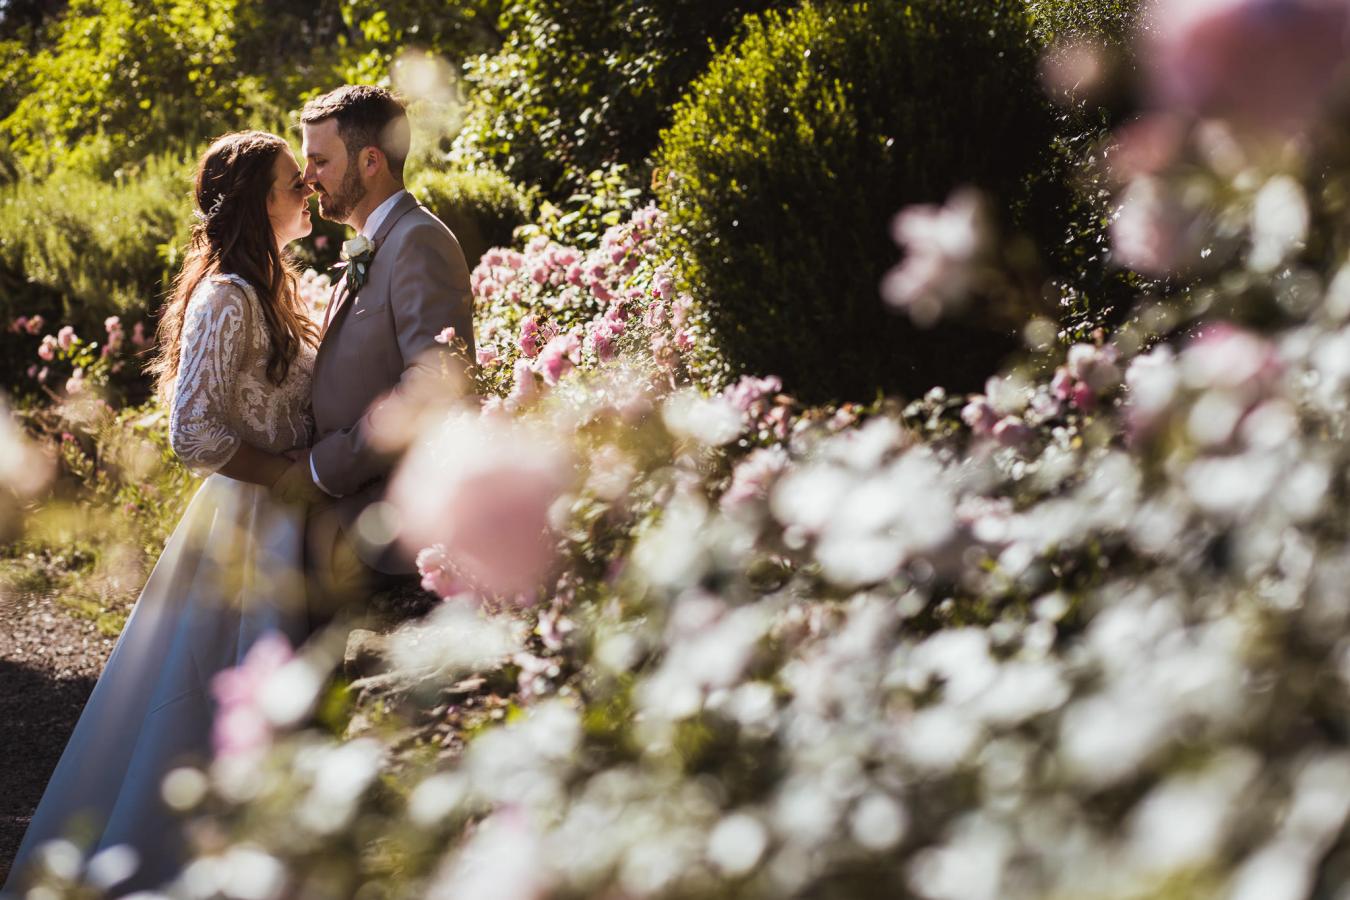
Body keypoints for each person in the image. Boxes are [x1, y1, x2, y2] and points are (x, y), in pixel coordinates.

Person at [2, 130, 322, 896]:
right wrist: (289, 479)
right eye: (292, 183)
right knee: (208, 702)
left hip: (283, 518)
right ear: (254, 203)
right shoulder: (227, 296)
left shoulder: (276, 285)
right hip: (246, 521)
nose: (308, 190)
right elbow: (193, 433)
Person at [278, 84, 474, 629]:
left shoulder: (418, 242)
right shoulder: (376, 242)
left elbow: (434, 384)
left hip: (387, 535)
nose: (307, 176)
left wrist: (323, 466)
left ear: (370, 161)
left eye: (319, 159)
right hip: (348, 525)